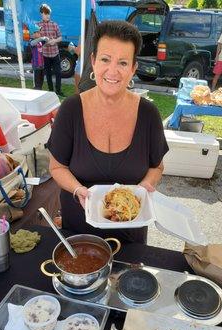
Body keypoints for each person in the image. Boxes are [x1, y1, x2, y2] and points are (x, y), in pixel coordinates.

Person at [47, 20, 168, 244]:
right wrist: (78, 190)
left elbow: (156, 166)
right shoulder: (71, 110)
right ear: (93, 61)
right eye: (105, 59)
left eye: (122, 63)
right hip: (78, 233)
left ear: (133, 68)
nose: (112, 71)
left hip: (131, 234)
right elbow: (56, 167)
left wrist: (143, 188)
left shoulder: (149, 114)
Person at [38, 3, 64, 96]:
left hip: (55, 53)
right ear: (41, 14)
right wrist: (43, 40)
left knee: (58, 73)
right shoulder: (38, 25)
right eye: (46, 14)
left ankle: (58, 91)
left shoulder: (54, 24)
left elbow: (60, 37)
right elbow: (35, 39)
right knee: (48, 74)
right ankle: (51, 91)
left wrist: (55, 41)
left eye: (48, 14)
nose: (48, 16)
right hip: (45, 55)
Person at [29, 24, 49, 90]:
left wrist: (46, 39)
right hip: (36, 65)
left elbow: (46, 41)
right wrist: (41, 38)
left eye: (39, 32)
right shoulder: (32, 41)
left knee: (41, 83)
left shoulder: (40, 42)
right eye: (37, 32)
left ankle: (39, 92)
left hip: (42, 65)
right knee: (36, 84)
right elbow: (32, 43)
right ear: (33, 33)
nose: (39, 33)